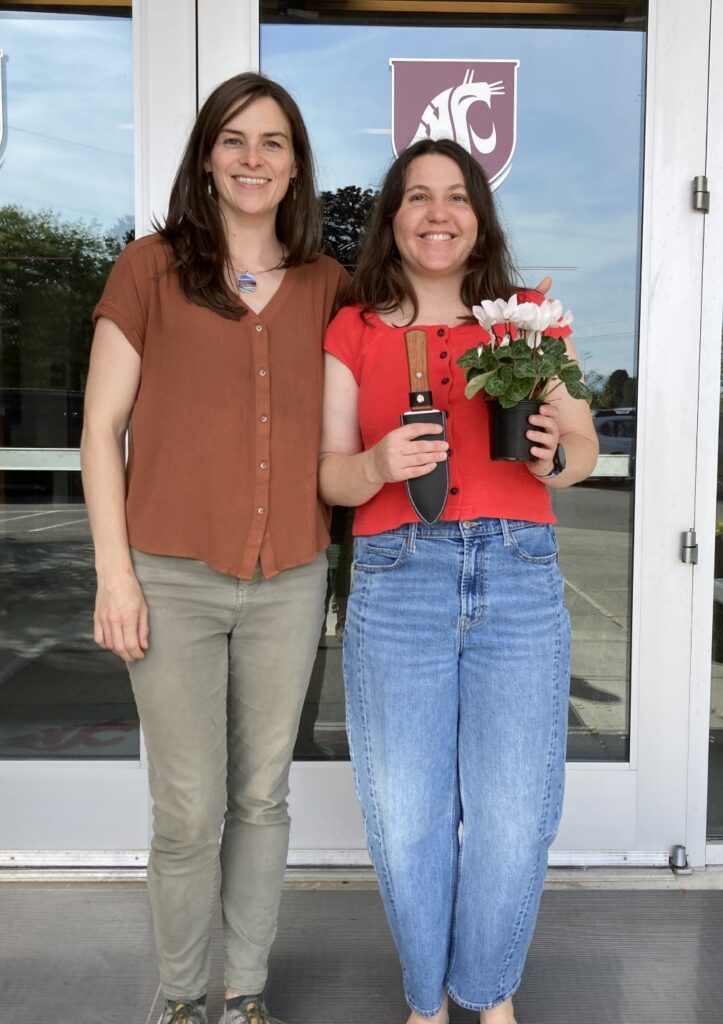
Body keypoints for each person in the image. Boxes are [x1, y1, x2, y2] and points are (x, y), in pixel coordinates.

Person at [81, 73, 347, 1024]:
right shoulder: (149, 267)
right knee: (188, 811)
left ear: (295, 165)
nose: (252, 158)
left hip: (287, 584)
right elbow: (99, 429)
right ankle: (183, 995)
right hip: (171, 580)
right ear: (205, 156)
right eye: (233, 140)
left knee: (261, 799)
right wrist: (116, 575)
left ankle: (242, 994)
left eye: (273, 142)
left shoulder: (328, 285)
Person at [319, 137, 598, 1024]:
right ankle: (425, 1004)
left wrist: (560, 458)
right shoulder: (353, 329)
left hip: (516, 575)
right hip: (398, 579)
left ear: (478, 218)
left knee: (513, 818)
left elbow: (585, 449)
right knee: (408, 824)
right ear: (391, 221)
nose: (436, 213)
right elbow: (328, 475)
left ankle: (488, 993)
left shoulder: (529, 325)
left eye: (455, 197)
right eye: (415, 197)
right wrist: (375, 461)